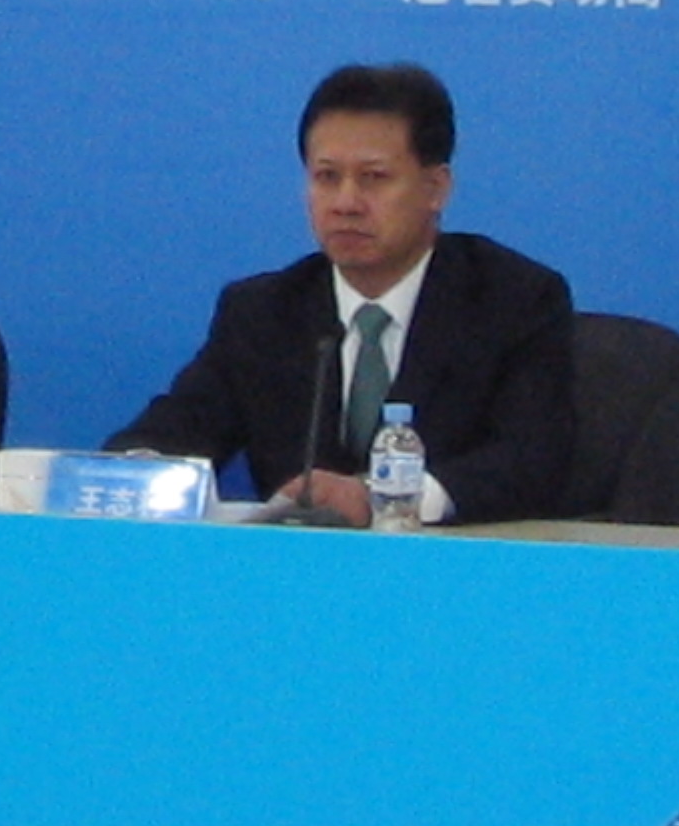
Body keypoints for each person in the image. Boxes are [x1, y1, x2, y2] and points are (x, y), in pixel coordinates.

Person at [105, 62, 574, 527]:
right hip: (298, 566)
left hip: (454, 563)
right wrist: (131, 472)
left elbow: (532, 459)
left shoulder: (513, 299)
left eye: (374, 178)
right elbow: (178, 429)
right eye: (326, 177)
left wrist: (385, 498)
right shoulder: (262, 311)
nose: (345, 203)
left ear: (435, 188)